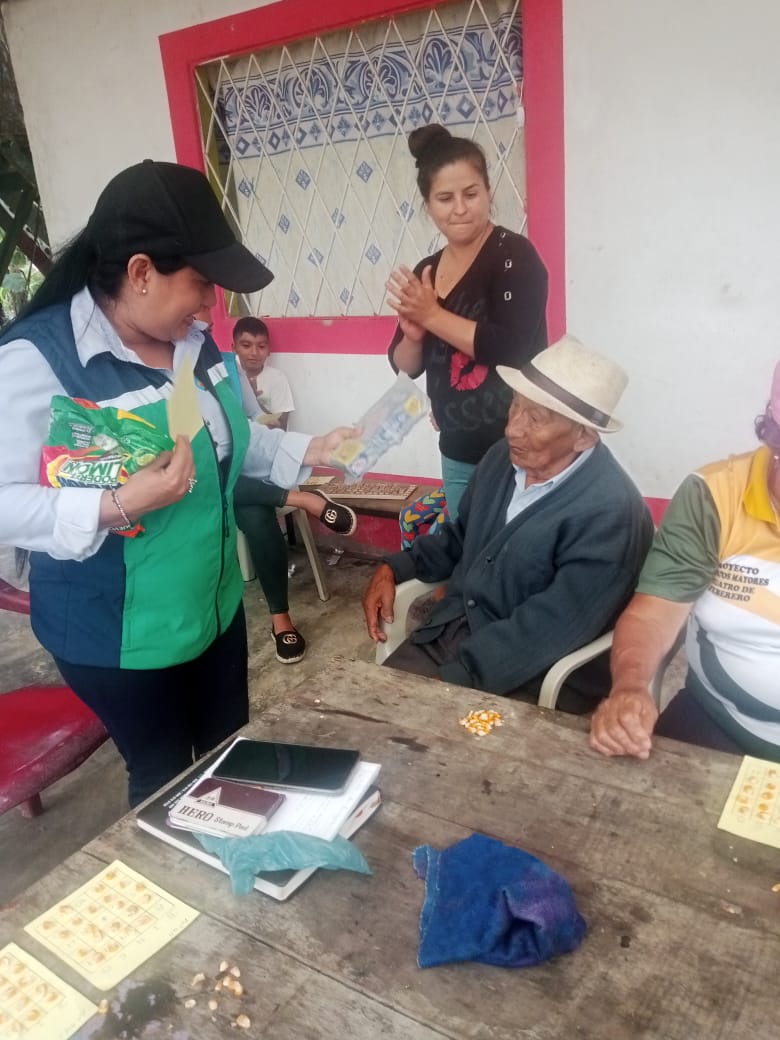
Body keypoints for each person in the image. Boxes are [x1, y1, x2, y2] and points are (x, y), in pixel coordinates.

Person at [0, 159, 356, 806]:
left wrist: (314, 448)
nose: (211, 304)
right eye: (201, 283)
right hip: (117, 635)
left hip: (212, 609)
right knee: (165, 781)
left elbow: (232, 439)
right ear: (141, 273)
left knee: (231, 758)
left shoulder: (195, 343)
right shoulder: (36, 362)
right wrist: (115, 504)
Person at [363, 337, 654, 703]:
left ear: (583, 436)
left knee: (413, 726)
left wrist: (455, 679)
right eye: (515, 406)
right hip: (452, 634)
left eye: (536, 418)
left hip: (529, 673)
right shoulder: (503, 458)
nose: (512, 429)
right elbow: (462, 535)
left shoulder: (612, 514)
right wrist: (396, 567)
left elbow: (553, 626)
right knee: (365, 712)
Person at [590, 362, 780, 762]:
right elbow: (653, 615)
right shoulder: (715, 496)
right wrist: (629, 688)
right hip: (717, 724)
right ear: (771, 433)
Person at [387, 123, 548, 520]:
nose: (459, 208)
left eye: (471, 194)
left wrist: (432, 314)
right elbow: (405, 365)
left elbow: (511, 347)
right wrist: (413, 336)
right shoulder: (427, 270)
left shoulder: (514, 256)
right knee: (466, 546)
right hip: (457, 449)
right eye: (445, 198)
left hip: (519, 448)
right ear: (428, 205)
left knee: (515, 547)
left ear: (488, 192)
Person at [199, 308, 358, 664]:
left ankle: (280, 617)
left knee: (256, 516)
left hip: (245, 472)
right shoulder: (154, 383)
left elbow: (250, 426)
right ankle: (302, 499)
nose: (202, 326)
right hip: (198, 485)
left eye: (206, 327)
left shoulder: (222, 368)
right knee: (215, 478)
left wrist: (316, 447)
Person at [232, 316, 292, 428]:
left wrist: (253, 400)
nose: (254, 353)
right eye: (246, 346)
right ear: (234, 348)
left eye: (261, 346)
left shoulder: (277, 378)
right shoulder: (226, 375)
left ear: (269, 350)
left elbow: (281, 427)